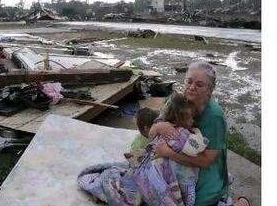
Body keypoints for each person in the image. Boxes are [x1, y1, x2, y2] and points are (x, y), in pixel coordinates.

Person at [78, 92, 208, 206]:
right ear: (179, 119)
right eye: (190, 118)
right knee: (141, 174)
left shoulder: (168, 129)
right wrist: (196, 132)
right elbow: (196, 146)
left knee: (137, 171)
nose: (192, 121)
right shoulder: (176, 133)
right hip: (153, 166)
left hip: (156, 164)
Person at [151, 61, 235, 206]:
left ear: (210, 90)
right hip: (173, 160)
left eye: (199, 84)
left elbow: (206, 160)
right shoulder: (175, 101)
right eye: (189, 81)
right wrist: (159, 126)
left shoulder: (214, 117)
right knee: (152, 189)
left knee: (195, 200)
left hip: (204, 169)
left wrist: (168, 153)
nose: (191, 87)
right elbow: (151, 135)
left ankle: (241, 202)